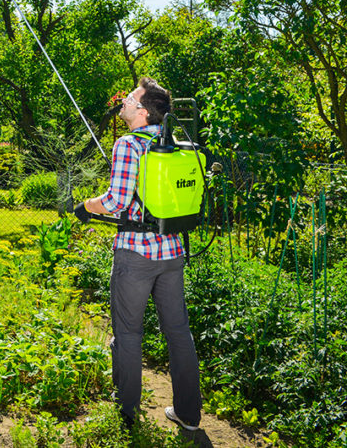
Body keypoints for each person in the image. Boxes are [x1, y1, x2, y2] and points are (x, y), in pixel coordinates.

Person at [80, 77, 202, 432]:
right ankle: (189, 416)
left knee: (129, 333)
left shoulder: (128, 144)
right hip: (173, 250)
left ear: (143, 111)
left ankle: (126, 416)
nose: (123, 100)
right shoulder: (178, 144)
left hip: (136, 255)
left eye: (130, 97)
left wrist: (86, 206)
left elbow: (116, 202)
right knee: (178, 332)